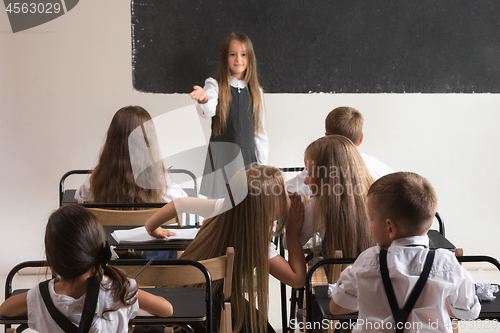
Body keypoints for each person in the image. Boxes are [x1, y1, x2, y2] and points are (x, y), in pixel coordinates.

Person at [144, 165, 306, 333]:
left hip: (175, 295)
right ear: (270, 205)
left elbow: (180, 203)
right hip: (210, 314)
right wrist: (293, 232)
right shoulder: (258, 245)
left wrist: (152, 227)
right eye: (286, 193)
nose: (292, 196)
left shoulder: (224, 207)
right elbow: (298, 279)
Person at [330, 172, 480, 333]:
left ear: (390, 228)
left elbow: (337, 308)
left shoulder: (367, 261)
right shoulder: (446, 263)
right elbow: (469, 313)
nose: (370, 226)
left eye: (372, 220)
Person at [0, 205, 173, 333]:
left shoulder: (40, 296)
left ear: (52, 257)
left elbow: (5, 309)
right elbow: (166, 309)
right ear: (98, 246)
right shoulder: (121, 289)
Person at [189, 32, 268, 198]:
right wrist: (203, 99)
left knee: (245, 206)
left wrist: (262, 165)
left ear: (250, 58)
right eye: (233, 54)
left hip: (247, 159)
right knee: (218, 207)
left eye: (243, 55)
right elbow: (209, 108)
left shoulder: (256, 92)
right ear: (224, 57)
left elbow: (260, 133)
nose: (238, 59)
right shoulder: (215, 85)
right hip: (221, 156)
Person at [75, 105, 187, 203]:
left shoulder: (95, 182)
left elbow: (78, 199)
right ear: (149, 141)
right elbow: (184, 202)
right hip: (148, 228)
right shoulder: (161, 183)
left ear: (112, 141)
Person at [290, 135, 375, 259]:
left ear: (324, 176)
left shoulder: (319, 206)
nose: (306, 181)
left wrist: (292, 226)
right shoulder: (373, 195)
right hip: (377, 274)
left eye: (309, 173)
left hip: (339, 278)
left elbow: (288, 244)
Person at [287, 106, 393, 196]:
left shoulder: (317, 168)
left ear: (326, 137)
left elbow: (288, 189)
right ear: (361, 139)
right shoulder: (374, 166)